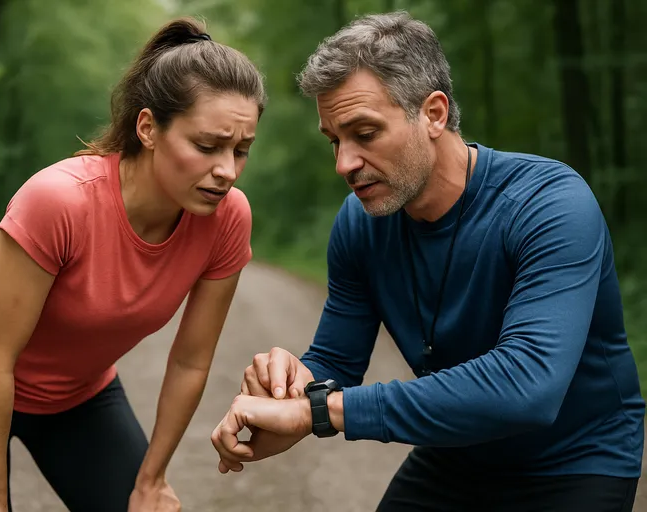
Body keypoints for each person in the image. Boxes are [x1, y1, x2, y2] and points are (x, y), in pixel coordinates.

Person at [211, 11, 644, 512]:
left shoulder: (548, 204)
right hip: (456, 454)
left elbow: (528, 385)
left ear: (434, 114)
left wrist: (321, 413)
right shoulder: (360, 223)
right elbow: (337, 363)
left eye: (365, 134)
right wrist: (292, 386)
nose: (344, 164)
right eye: (335, 140)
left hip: (575, 461)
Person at [0, 16, 266, 512]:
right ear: (148, 128)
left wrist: (151, 479)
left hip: (77, 399)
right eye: (206, 146)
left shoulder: (227, 218)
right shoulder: (60, 201)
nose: (226, 170)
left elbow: (189, 360)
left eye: (241, 150)